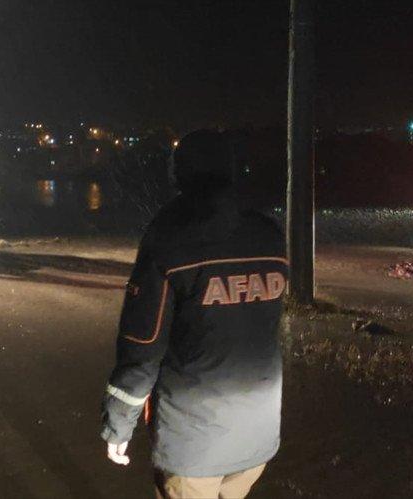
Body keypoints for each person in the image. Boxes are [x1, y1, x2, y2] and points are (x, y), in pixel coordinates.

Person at [101, 129, 288, 499]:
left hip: (194, 442)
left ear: (180, 173)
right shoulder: (269, 236)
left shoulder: (169, 240)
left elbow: (142, 346)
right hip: (258, 433)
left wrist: (118, 425)